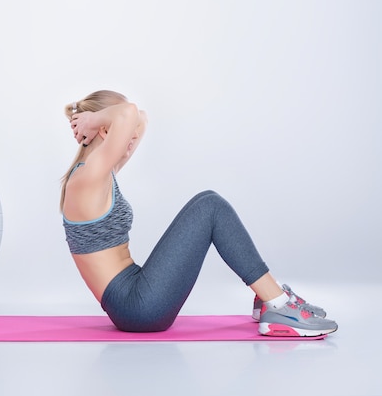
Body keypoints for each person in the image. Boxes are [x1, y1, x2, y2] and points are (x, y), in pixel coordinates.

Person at [60, 89, 338, 336]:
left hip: (135, 300)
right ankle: (278, 304)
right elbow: (130, 113)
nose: (131, 143)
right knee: (210, 207)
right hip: (137, 307)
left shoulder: (100, 174)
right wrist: (95, 120)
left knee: (207, 201)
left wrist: (99, 121)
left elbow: (139, 116)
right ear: (107, 131)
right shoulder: (88, 179)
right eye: (127, 135)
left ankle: (269, 297)